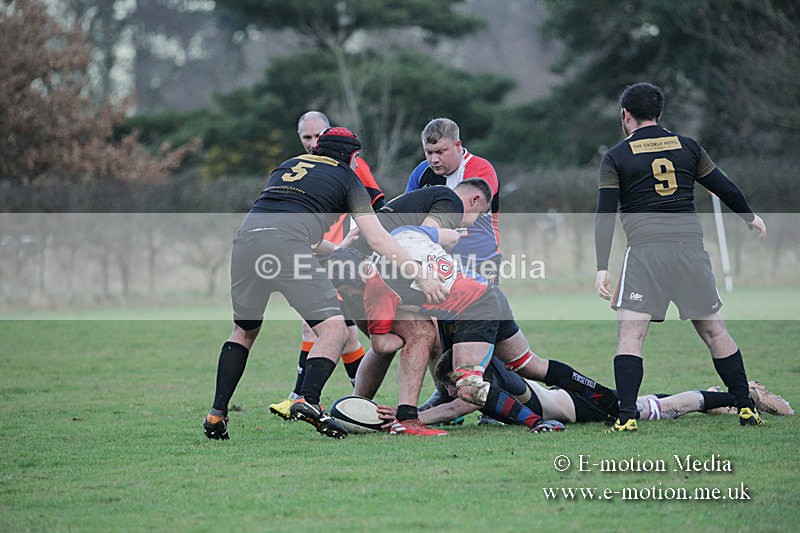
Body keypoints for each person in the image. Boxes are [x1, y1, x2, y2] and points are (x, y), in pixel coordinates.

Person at [202, 127, 446, 440]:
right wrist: (420, 273)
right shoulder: (348, 178)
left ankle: (216, 415)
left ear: (318, 150)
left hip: (246, 242)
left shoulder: (287, 166)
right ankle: (308, 400)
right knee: (332, 329)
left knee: (244, 331)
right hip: (287, 246)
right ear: (354, 157)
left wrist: (342, 252)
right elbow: (378, 237)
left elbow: (301, 232)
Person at [594, 82, 768, 433]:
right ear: (659, 114)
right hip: (689, 251)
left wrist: (601, 267)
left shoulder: (616, 156)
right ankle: (745, 407)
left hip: (646, 253)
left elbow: (605, 213)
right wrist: (750, 217)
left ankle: (627, 416)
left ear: (625, 115)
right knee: (715, 331)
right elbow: (725, 186)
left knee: (631, 335)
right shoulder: (688, 148)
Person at [268, 111, 386, 421]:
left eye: (318, 137)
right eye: (306, 138)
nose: (312, 143)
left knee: (320, 325)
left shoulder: (353, 167)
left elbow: (378, 206)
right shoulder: (302, 168)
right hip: (312, 254)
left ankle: (301, 396)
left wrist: (363, 244)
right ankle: (360, 398)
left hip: (339, 258)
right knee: (343, 333)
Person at [375, 350, 792, 430]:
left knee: (656, 410)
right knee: (650, 403)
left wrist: (406, 417)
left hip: (581, 409)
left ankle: (745, 395)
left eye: (450, 384)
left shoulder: (481, 385)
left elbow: (452, 411)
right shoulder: (484, 377)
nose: (450, 390)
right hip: (573, 400)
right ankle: (726, 397)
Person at [406, 117, 503, 424]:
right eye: (429, 152)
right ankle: (447, 395)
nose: (434, 159)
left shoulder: (479, 170)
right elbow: (409, 216)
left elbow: (462, 218)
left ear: (458, 146)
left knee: (481, 333)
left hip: (480, 260)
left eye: (442, 152)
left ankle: (494, 401)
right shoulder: (421, 174)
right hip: (440, 265)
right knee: (440, 334)